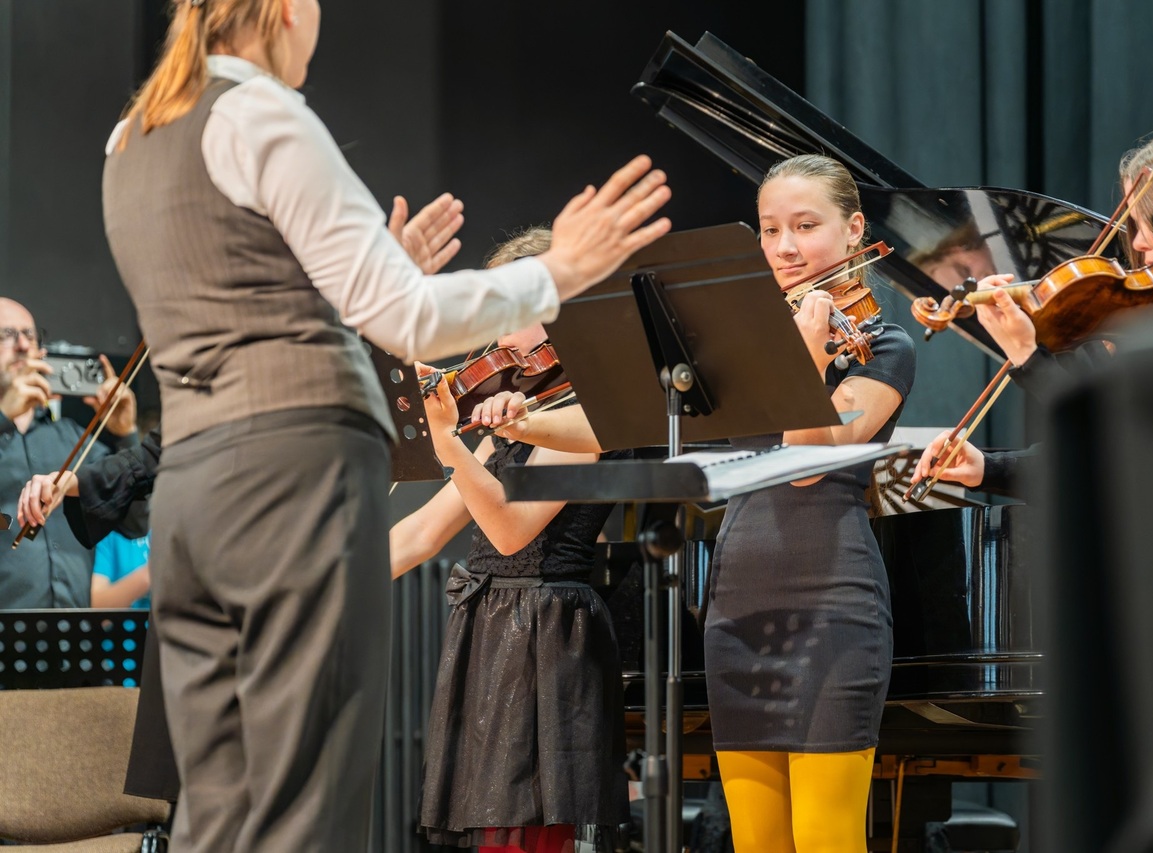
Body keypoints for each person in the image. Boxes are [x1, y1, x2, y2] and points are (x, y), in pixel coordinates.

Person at [98, 1, 671, 850]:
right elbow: (410, 318)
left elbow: (247, 307)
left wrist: (374, 275)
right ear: (287, 10)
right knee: (304, 799)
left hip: (192, 490)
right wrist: (558, 271)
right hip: (288, 484)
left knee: (219, 802)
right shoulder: (261, 114)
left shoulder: (130, 137)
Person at [476, 153, 917, 853]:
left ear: (855, 229)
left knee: (826, 836)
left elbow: (807, 466)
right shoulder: (739, 345)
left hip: (833, 606)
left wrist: (805, 352)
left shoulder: (884, 346)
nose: (784, 247)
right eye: (770, 229)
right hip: (736, 607)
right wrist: (521, 422)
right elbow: (618, 423)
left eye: (805, 226)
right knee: (757, 841)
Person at [389, 227, 631, 853]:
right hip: (494, 623)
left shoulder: (593, 410)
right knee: (497, 831)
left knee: (530, 831)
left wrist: (447, 442)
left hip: (549, 630)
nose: (498, 337)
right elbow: (421, 533)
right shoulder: (520, 412)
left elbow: (508, 528)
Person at [910, 118, 1153, 498]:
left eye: (1148, 223)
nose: (1137, 243)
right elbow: (1098, 461)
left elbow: (1134, 449)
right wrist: (989, 469)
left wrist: (1028, 357)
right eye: (1134, 223)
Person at [0, 297, 144, 609]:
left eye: (30, 335)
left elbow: (136, 523)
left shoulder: (73, 438)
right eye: (6, 335)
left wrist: (125, 436)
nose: (23, 345)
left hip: (73, 631)